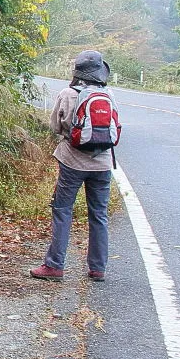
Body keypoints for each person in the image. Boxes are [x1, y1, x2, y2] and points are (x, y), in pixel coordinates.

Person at [31, 50, 114, 283]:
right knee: (99, 214)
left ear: (77, 72)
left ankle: (54, 265)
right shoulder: (108, 94)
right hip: (103, 163)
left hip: (73, 162)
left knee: (63, 210)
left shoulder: (68, 94)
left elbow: (56, 127)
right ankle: (98, 268)